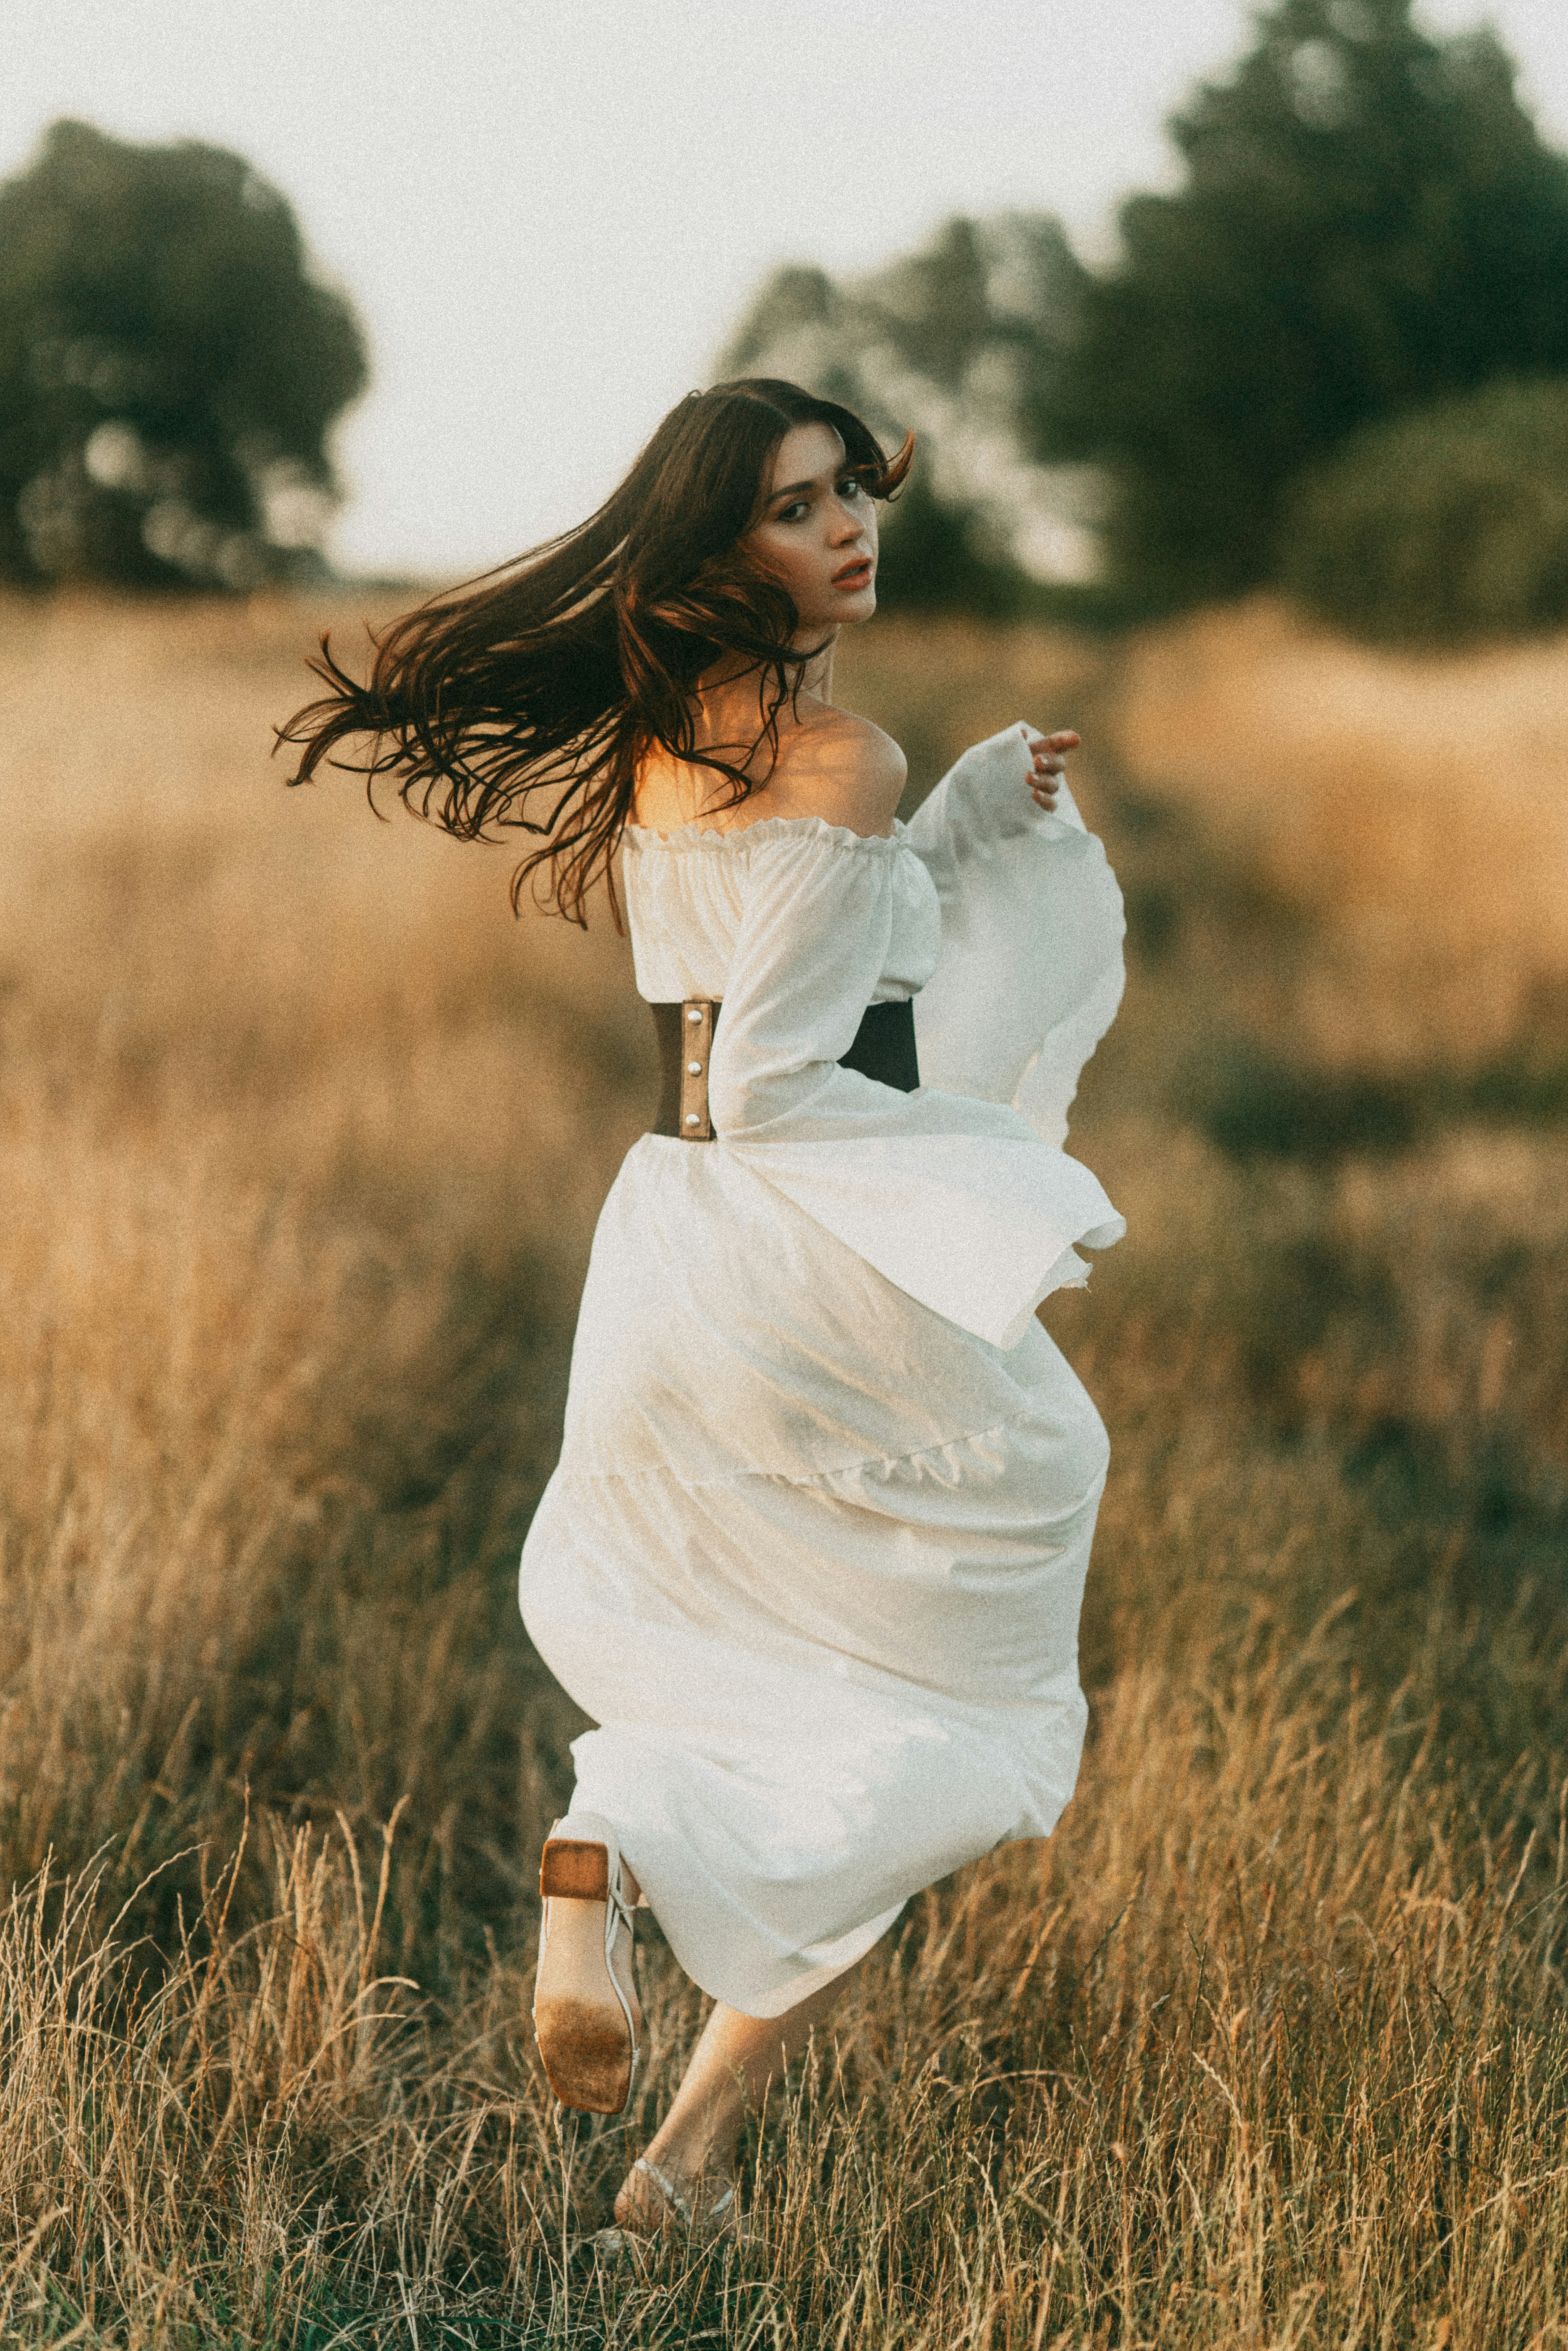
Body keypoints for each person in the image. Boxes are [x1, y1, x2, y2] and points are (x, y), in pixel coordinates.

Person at [279, 378, 1125, 2242]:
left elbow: (777, 974)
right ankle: (663, 1963)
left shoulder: (691, 736)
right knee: (960, 1692)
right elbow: (785, 1078)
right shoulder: (843, 761)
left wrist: (966, 820)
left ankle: (667, 2085)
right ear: (714, 550)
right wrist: (976, 1174)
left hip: (674, 1248)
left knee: (812, 1696)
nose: (846, 530)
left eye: (848, 492)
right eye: (792, 508)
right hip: (798, 1254)